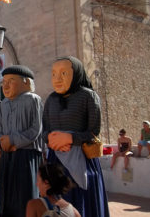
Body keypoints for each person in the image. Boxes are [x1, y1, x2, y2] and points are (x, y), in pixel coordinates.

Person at [43, 56, 109, 216]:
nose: (57, 79)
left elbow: (93, 131)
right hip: (55, 162)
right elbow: (45, 129)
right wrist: (49, 139)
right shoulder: (51, 100)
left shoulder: (88, 97)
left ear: (76, 74)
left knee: (81, 204)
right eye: (53, 74)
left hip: (83, 161)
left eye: (64, 73)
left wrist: (70, 138)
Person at [0, 65, 43, 216]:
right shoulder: (3, 104)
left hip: (26, 156)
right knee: (6, 196)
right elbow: (0, 129)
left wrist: (13, 140)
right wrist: (1, 140)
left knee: (25, 196)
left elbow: (35, 130)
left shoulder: (33, 100)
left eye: (11, 80)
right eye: (4, 81)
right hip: (7, 155)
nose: (6, 85)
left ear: (25, 83)